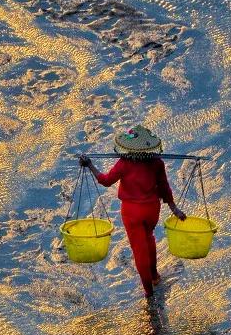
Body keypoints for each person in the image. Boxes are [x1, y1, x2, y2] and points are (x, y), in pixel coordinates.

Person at [79, 125, 186, 297]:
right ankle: (155, 276)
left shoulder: (124, 164)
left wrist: (90, 165)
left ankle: (149, 293)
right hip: (152, 209)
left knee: (139, 250)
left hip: (131, 212)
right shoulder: (157, 162)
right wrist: (174, 207)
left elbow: (105, 181)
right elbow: (164, 186)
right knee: (149, 237)